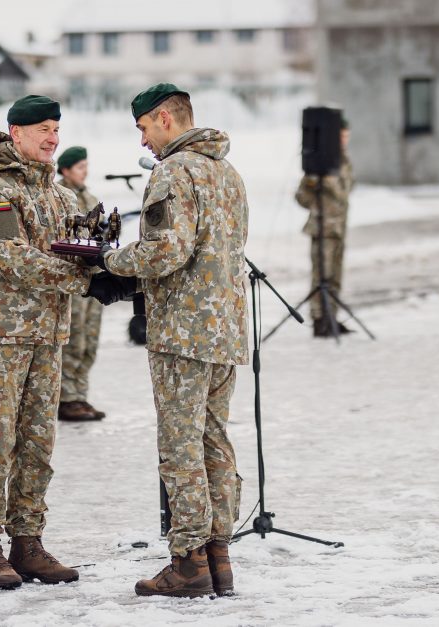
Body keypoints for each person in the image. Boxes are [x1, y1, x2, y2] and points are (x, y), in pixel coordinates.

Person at [0, 95, 129, 589]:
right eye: (43, 130)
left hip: (48, 334)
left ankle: (27, 542)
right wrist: (86, 282)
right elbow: (16, 258)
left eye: (56, 129)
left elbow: (73, 249)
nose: (53, 138)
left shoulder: (60, 196)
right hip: (0, 335)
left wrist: (106, 262)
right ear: (15, 134)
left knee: (37, 444)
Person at [97, 84, 249, 598]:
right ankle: (218, 557)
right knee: (215, 443)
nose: (142, 140)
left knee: (181, 447)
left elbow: (165, 251)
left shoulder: (173, 172)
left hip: (183, 332)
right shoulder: (228, 173)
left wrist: (107, 262)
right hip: (225, 330)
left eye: (142, 126)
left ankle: (188, 562)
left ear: (164, 118)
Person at [55, 146, 105, 422]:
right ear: (65, 170)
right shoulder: (62, 197)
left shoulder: (91, 197)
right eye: (79, 167)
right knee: (73, 339)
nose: (84, 171)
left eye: (86, 166)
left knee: (89, 339)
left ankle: (80, 394)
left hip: (93, 275)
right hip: (73, 277)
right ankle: (67, 397)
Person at [295, 117, 355, 338]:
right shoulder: (320, 164)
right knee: (321, 275)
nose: (344, 141)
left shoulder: (344, 161)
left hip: (339, 228)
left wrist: (332, 186)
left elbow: (345, 194)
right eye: (341, 136)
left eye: (347, 136)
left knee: (335, 276)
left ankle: (333, 317)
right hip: (321, 230)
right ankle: (319, 319)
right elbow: (301, 198)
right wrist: (315, 183)